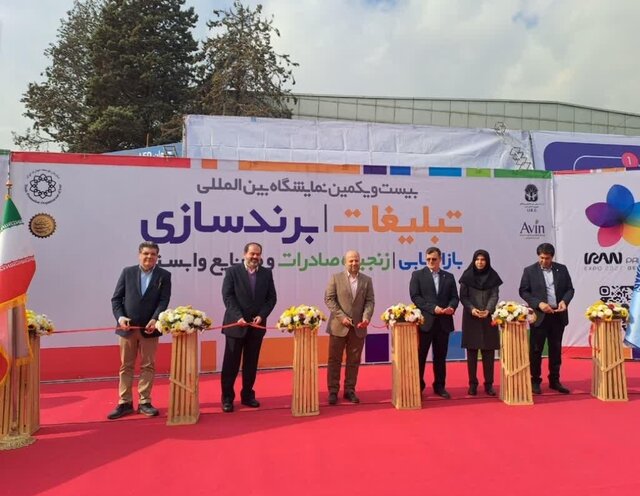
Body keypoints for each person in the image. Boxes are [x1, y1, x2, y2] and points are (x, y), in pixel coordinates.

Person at [108, 241, 172, 420]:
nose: (149, 257)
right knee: (126, 366)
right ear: (139, 255)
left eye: (153, 254)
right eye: (146, 253)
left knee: (148, 366)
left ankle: (145, 402)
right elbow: (116, 299)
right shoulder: (127, 272)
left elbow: (163, 301)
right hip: (127, 329)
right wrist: (121, 318)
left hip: (150, 330)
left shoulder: (164, 275)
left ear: (157, 257)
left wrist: (155, 319)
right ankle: (125, 402)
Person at [220, 242, 277, 412]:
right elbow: (228, 296)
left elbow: (271, 298)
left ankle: (247, 395)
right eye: (252, 253)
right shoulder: (232, 272)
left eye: (258, 254)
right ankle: (227, 398)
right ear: (244, 254)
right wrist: (238, 316)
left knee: (251, 364)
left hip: (256, 327)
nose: (255, 257)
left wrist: (262, 315)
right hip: (236, 326)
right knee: (230, 364)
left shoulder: (266, 273)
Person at [519, 243, 574, 395]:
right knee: (536, 350)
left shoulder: (562, 269)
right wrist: (539, 304)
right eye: (541, 258)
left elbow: (570, 289)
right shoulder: (530, 271)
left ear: (552, 257)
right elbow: (523, 291)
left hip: (558, 315)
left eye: (547, 258)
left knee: (555, 349)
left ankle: (555, 381)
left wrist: (564, 301)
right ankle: (535, 381)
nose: (544, 261)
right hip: (540, 316)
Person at [324, 250, 375, 405]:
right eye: (351, 261)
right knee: (334, 360)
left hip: (358, 328)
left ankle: (349, 390)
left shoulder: (366, 280)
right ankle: (333, 391)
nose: (354, 263)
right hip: (338, 327)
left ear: (360, 262)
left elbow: (370, 301)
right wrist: (342, 317)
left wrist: (366, 318)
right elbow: (329, 299)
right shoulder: (336, 278)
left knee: (354, 361)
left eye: (356, 260)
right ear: (345, 262)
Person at [409, 246, 459, 399]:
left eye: (434, 259)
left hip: (443, 323)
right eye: (428, 259)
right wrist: (433, 308)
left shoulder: (448, 276)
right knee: (421, 356)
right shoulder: (418, 275)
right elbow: (415, 297)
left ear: (440, 259)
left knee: (440, 357)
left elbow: (454, 297)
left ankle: (439, 386)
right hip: (426, 322)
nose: (431, 261)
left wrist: (451, 307)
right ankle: (418, 386)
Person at [459, 249, 503, 396]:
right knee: (472, 353)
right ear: (474, 261)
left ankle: (489, 385)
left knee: (489, 353)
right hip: (471, 318)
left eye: (483, 260)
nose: (480, 262)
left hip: (488, 318)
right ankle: (472, 384)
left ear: (487, 261)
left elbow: (494, 295)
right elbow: (463, 297)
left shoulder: (493, 276)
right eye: (477, 259)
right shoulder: (467, 276)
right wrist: (472, 309)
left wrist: (488, 310)